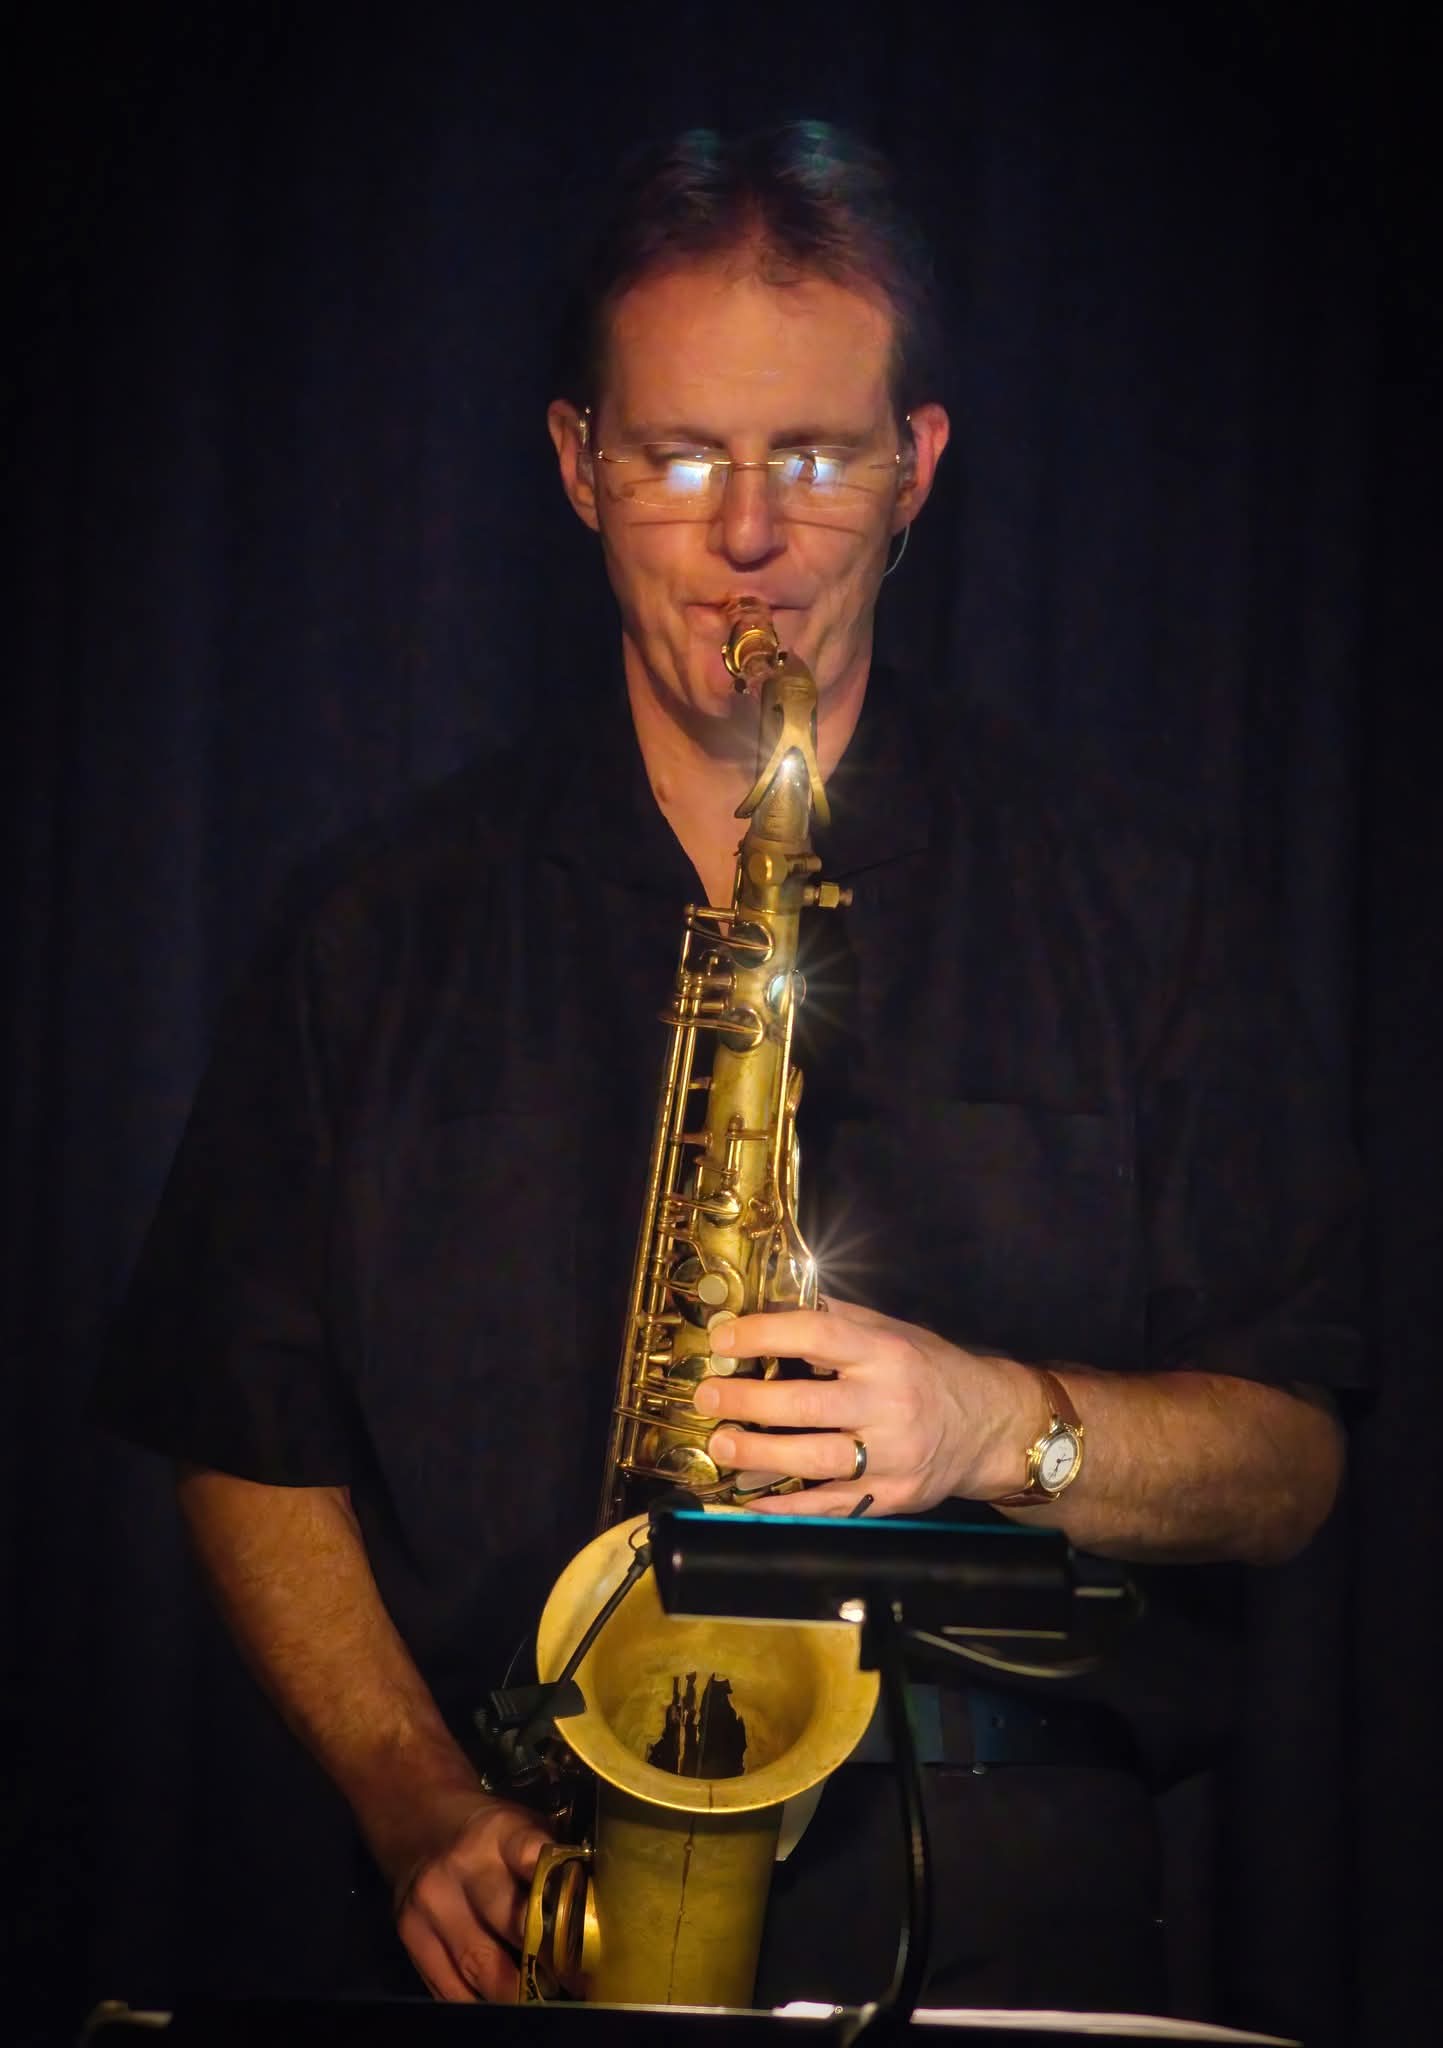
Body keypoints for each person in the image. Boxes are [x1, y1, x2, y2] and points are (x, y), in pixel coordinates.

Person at [99, 124, 1362, 2015]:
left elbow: (1292, 1466)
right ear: (578, 464)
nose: (748, 538)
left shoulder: (1137, 904)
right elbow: (238, 1428)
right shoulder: (374, 928)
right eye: (682, 457)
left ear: (918, 464)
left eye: (817, 459)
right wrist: (410, 1797)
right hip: (535, 1901)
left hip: (1008, 1903)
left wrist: (1002, 1426)